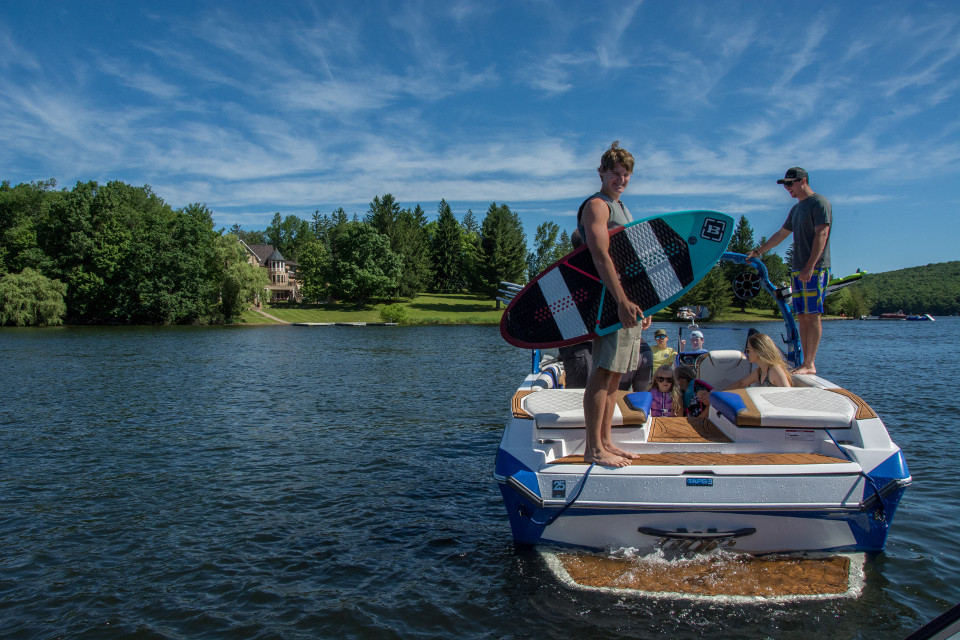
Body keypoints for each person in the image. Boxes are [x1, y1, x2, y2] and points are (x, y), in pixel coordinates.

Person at [579, 141, 647, 467]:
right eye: (615, 173)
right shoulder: (598, 206)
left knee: (617, 373)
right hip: (607, 301)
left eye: (626, 174)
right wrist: (621, 301)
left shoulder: (624, 209)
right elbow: (599, 254)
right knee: (602, 371)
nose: (620, 179)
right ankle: (593, 448)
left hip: (626, 302)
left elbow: (632, 262)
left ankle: (606, 440)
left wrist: (641, 305)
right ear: (602, 173)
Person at [747, 167, 831, 374]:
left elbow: (822, 234)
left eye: (790, 184)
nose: (787, 189)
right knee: (801, 314)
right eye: (785, 185)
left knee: (813, 314)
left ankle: (810, 363)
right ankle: (804, 363)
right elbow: (780, 234)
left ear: (802, 182)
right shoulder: (796, 210)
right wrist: (758, 251)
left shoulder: (819, 202)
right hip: (797, 268)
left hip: (815, 267)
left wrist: (810, 266)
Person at [726, 332, 792, 389]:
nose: (747, 353)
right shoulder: (759, 371)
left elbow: (788, 393)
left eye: (748, 350)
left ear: (758, 351)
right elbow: (742, 383)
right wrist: (720, 393)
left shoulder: (774, 370)